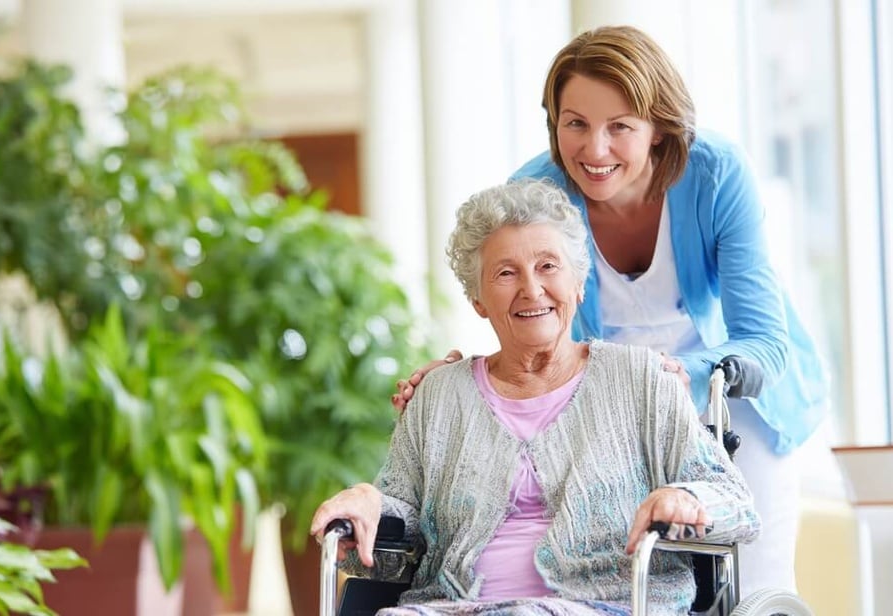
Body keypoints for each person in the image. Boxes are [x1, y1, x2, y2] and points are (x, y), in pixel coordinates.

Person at [392, 25, 827, 597]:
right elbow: (526, 311)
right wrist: (456, 384)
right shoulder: (538, 192)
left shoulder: (715, 174)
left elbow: (763, 343)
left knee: (755, 579)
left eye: (620, 126)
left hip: (731, 391)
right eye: (575, 124)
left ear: (658, 127)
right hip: (617, 404)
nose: (594, 150)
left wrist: (682, 377)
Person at [312, 179, 759, 615]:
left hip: (608, 602)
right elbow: (396, 542)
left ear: (579, 284)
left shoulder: (641, 380)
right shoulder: (439, 397)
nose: (531, 288)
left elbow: (735, 502)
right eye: (506, 273)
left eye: (548, 266)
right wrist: (369, 503)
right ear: (478, 299)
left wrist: (685, 497)